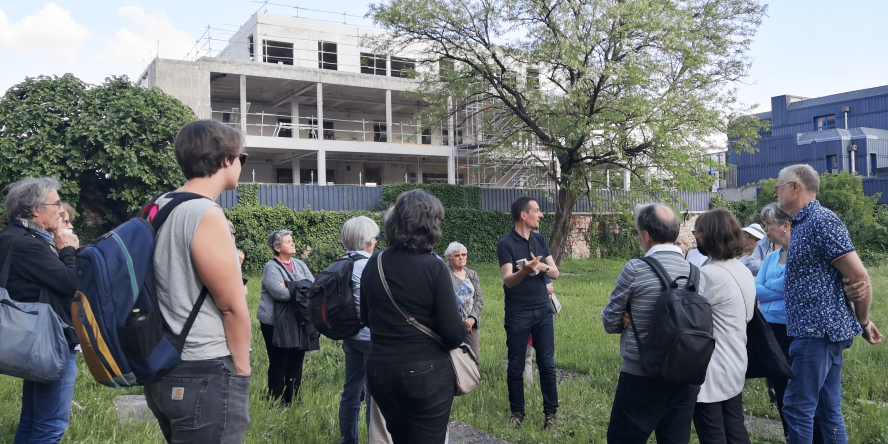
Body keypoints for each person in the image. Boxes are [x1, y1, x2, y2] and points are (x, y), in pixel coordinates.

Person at [142, 120, 251, 444]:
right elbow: (231, 305)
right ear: (224, 160)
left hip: (162, 363)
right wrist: (241, 370)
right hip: (204, 368)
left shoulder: (157, 206)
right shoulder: (205, 213)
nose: (242, 165)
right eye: (241, 158)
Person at [774, 164, 882, 443]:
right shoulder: (801, 224)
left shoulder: (821, 220)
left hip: (817, 333)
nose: (776, 193)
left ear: (794, 187)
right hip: (818, 333)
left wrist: (863, 320)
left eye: (778, 188)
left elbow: (859, 278)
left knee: (797, 409)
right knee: (826, 409)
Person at [360, 189, 466, 444]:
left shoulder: (374, 263)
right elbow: (453, 335)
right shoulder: (435, 267)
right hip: (425, 373)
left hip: (380, 371)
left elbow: (365, 319)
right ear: (429, 226)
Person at [601, 203, 703, 443]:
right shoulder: (695, 272)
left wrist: (625, 318)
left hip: (641, 373)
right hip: (685, 373)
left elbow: (610, 321)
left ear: (645, 235)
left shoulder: (635, 269)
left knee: (624, 438)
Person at [0, 178, 80, 444]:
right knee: (50, 425)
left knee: (33, 419)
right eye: (56, 203)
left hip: (32, 338)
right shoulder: (30, 245)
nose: (61, 210)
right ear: (35, 210)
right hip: (50, 341)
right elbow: (72, 283)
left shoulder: (13, 237)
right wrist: (68, 249)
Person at [756, 203, 824, 442]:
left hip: (794, 329)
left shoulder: (801, 254)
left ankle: (812, 436)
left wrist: (772, 288)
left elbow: (788, 286)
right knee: (780, 387)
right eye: (763, 223)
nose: (764, 228)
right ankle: (788, 434)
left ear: (785, 225)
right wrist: (781, 289)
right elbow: (756, 289)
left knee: (800, 390)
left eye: (768, 224)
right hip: (771, 328)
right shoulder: (772, 256)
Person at [691, 208, 756, 444]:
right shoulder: (742, 268)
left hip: (711, 367)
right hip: (735, 358)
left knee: (712, 433)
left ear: (710, 235)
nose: (695, 237)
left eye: (697, 232)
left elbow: (686, 315)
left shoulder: (709, 274)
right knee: (735, 428)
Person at [497, 196, 560, 431]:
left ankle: (551, 417)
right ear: (524, 215)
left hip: (543, 310)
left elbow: (555, 273)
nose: (541, 214)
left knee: (547, 364)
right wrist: (523, 271)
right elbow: (507, 281)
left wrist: (541, 266)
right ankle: (517, 413)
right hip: (518, 313)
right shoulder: (506, 244)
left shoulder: (540, 240)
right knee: (515, 366)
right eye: (537, 210)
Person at [258, 229, 315, 406]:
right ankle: (276, 402)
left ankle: (293, 400)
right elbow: (280, 294)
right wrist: (300, 287)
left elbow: (312, 287)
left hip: (299, 320)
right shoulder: (271, 267)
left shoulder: (299, 264)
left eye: (292, 240)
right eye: (288, 241)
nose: (293, 243)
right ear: (277, 247)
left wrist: (290, 285)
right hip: (275, 323)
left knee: (296, 362)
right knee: (279, 362)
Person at [338, 216, 380, 444]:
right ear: (368, 241)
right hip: (370, 337)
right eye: (376, 238)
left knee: (351, 391)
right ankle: (374, 439)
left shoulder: (342, 262)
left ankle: (349, 440)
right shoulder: (370, 265)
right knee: (374, 397)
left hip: (349, 335)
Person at [444, 241, 484, 360]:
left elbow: (479, 299)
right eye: (457, 255)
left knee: (474, 357)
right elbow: (445, 302)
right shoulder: (445, 274)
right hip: (453, 323)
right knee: (454, 357)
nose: (461, 257)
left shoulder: (472, 274)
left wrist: (472, 318)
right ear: (449, 259)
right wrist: (462, 322)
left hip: (471, 324)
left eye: (463, 254)